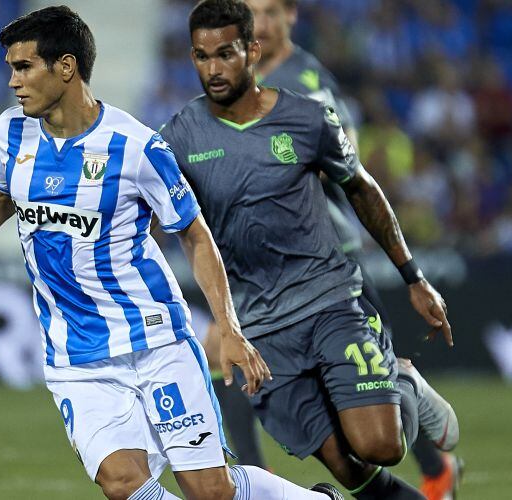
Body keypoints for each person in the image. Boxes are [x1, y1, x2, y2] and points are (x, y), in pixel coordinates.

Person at [0, 6, 341, 500]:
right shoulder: (12, 132)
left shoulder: (136, 146)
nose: (13, 82)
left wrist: (228, 328)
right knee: (123, 484)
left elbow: (194, 233)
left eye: (24, 67)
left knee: (211, 491)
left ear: (65, 67)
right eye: (10, 69)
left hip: (155, 342)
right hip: (76, 356)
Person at [159, 1, 459, 499]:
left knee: (380, 447)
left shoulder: (305, 115)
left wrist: (413, 276)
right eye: (201, 56)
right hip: (260, 327)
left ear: (252, 51)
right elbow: (150, 214)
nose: (213, 69)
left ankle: (402, 378)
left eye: (226, 54)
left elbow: (362, 188)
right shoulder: (178, 138)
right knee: (351, 470)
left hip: (330, 302)